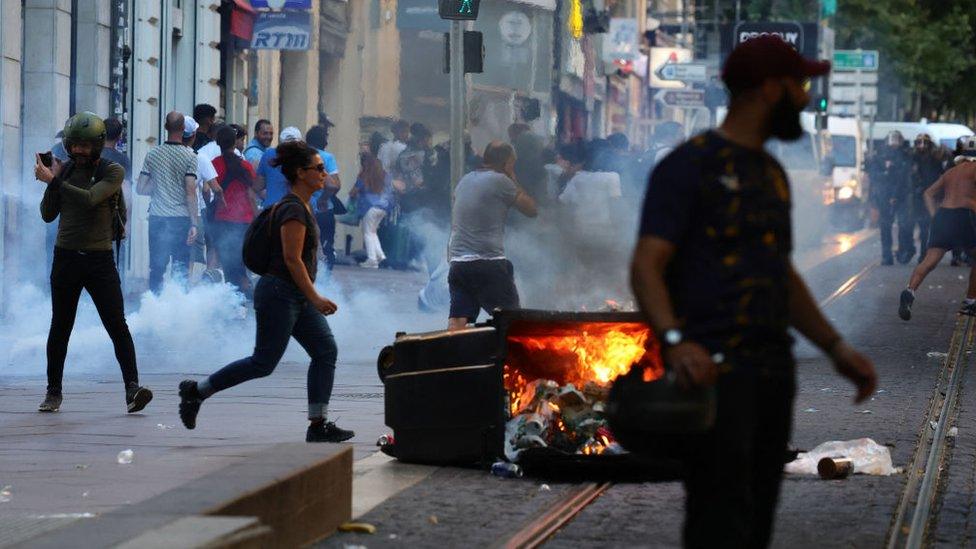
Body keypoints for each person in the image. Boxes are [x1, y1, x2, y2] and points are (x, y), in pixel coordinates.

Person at [630, 36, 877, 548]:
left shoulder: (771, 175)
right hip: (717, 376)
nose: (806, 98)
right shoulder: (688, 167)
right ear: (769, 89)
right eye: (799, 85)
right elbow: (646, 266)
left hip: (772, 374)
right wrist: (675, 340)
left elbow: (780, 276)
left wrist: (836, 348)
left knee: (758, 520)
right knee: (719, 520)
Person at [177, 140, 354, 443]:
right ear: (301, 172)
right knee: (263, 362)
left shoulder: (302, 205)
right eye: (319, 169)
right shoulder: (293, 210)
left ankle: (318, 424)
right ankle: (196, 391)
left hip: (293, 294)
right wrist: (316, 297)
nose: (325, 174)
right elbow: (291, 259)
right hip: (280, 294)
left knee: (325, 351)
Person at [35, 112, 153, 414]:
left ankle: (132, 389)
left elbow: (90, 198)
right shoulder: (64, 172)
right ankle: (53, 393)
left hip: (99, 259)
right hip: (66, 257)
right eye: (74, 146)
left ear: (98, 146)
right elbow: (48, 214)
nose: (79, 152)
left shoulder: (111, 171)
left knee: (116, 324)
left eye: (86, 146)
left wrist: (55, 181)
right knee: (60, 326)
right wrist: (53, 180)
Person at [447, 142, 538, 330]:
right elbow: (531, 209)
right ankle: (514, 358)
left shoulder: (465, 180)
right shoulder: (501, 181)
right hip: (487, 262)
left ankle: (449, 357)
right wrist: (513, 179)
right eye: (513, 163)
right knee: (513, 321)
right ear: (507, 163)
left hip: (458, 263)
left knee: (458, 320)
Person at [899, 137, 976, 320]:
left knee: (929, 261)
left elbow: (928, 193)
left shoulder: (950, 172)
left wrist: (935, 216)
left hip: (943, 215)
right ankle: (970, 301)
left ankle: (909, 291)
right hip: (965, 216)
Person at [136, 112, 200, 293]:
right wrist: (194, 223)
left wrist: (160, 188)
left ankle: (155, 308)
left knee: (156, 268)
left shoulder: (153, 154)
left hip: (157, 217)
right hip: (181, 219)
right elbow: (190, 192)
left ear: (165, 128)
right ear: (183, 129)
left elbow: (140, 188)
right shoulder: (190, 157)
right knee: (180, 268)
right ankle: (177, 310)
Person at [209, 126, 258, 295]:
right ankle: (242, 296)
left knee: (227, 262)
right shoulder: (245, 166)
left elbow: (208, 190)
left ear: (218, 143)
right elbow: (252, 195)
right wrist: (257, 217)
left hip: (222, 219)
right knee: (241, 262)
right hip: (244, 220)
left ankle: (233, 301)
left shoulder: (214, 164)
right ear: (235, 143)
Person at [183, 116, 221, 278]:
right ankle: (193, 291)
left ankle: (171, 292)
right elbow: (211, 189)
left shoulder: (159, 154)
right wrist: (210, 205)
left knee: (172, 253)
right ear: (193, 136)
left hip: (166, 214)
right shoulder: (199, 158)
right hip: (195, 213)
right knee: (195, 254)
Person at [868, 131, 913, 265]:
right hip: (885, 196)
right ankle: (886, 255)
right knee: (885, 226)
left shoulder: (905, 155)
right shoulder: (879, 156)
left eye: (897, 140)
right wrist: (886, 172)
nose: (894, 144)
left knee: (904, 224)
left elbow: (907, 175)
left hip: (901, 195)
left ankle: (902, 252)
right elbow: (874, 175)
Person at [306, 124, 342, 272]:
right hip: (324, 209)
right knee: (326, 247)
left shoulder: (300, 157)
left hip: (304, 209)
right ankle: (325, 282)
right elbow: (335, 185)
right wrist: (324, 198)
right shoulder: (327, 158)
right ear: (324, 140)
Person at [350, 152, 395, 268]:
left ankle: (372, 260)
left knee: (367, 233)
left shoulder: (364, 176)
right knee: (373, 232)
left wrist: (352, 195)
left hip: (370, 208)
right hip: (384, 207)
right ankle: (381, 256)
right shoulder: (384, 175)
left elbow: (353, 192)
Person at [100, 118, 132, 275]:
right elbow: (126, 192)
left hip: (92, 216)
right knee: (115, 263)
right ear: (119, 137)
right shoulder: (122, 160)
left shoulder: (92, 155)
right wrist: (127, 222)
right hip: (113, 217)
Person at [909, 133, 944, 261]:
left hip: (929, 197)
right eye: (919, 143)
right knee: (909, 224)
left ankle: (924, 253)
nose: (922, 146)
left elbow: (940, 177)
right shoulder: (912, 159)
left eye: (925, 143)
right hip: (914, 197)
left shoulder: (935, 160)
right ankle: (909, 249)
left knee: (925, 226)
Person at [256, 126, 303, 208]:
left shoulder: (268, 154)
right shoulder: (304, 158)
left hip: (271, 209)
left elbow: (258, 186)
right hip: (294, 210)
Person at [509, 123, 547, 201]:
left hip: (528, 175)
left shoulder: (523, 138)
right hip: (540, 173)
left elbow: (521, 158)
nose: (511, 139)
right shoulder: (535, 137)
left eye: (510, 135)